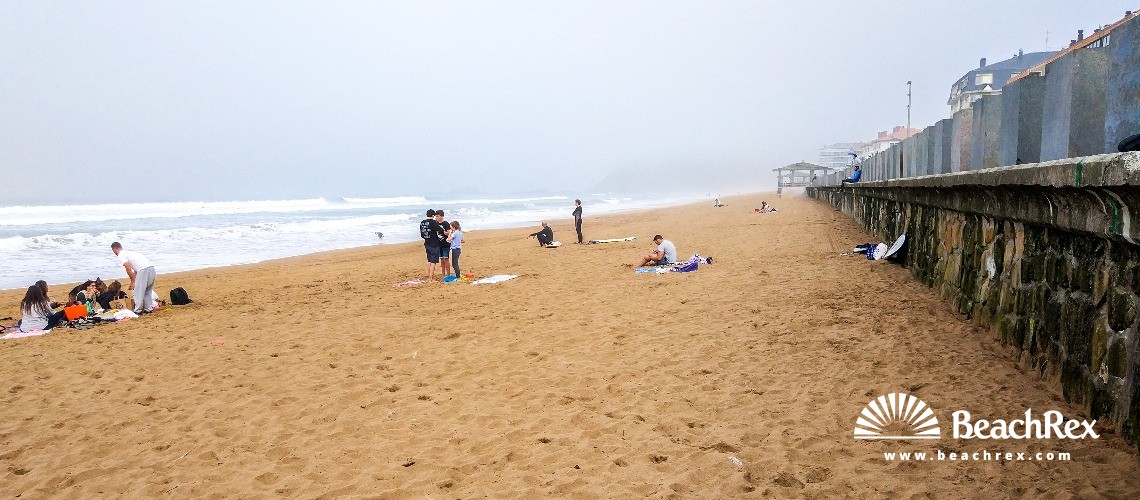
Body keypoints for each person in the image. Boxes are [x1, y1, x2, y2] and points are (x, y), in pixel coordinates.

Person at [111, 242, 157, 314]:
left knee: (137, 291)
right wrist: (134, 281)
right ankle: (148, 308)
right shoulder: (130, 253)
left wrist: (133, 282)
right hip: (151, 268)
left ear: (114, 249)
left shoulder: (121, 254)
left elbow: (128, 268)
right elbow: (135, 270)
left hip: (143, 269)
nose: (114, 253)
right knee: (147, 290)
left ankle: (137, 310)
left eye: (113, 251)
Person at [419, 209, 446, 281]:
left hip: (427, 242)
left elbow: (422, 234)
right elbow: (440, 230)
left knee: (429, 260)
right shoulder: (433, 222)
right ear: (433, 215)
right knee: (433, 261)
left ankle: (430, 276)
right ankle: (430, 278)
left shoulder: (422, 222)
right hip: (434, 243)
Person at [436, 210, 452, 278]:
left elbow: (449, 232)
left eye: (438, 216)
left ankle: (448, 274)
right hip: (438, 244)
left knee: (446, 259)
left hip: (445, 244)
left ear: (442, 216)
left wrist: (444, 232)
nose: (436, 217)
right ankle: (443, 274)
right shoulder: (435, 223)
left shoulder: (446, 223)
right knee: (441, 260)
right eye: (436, 216)